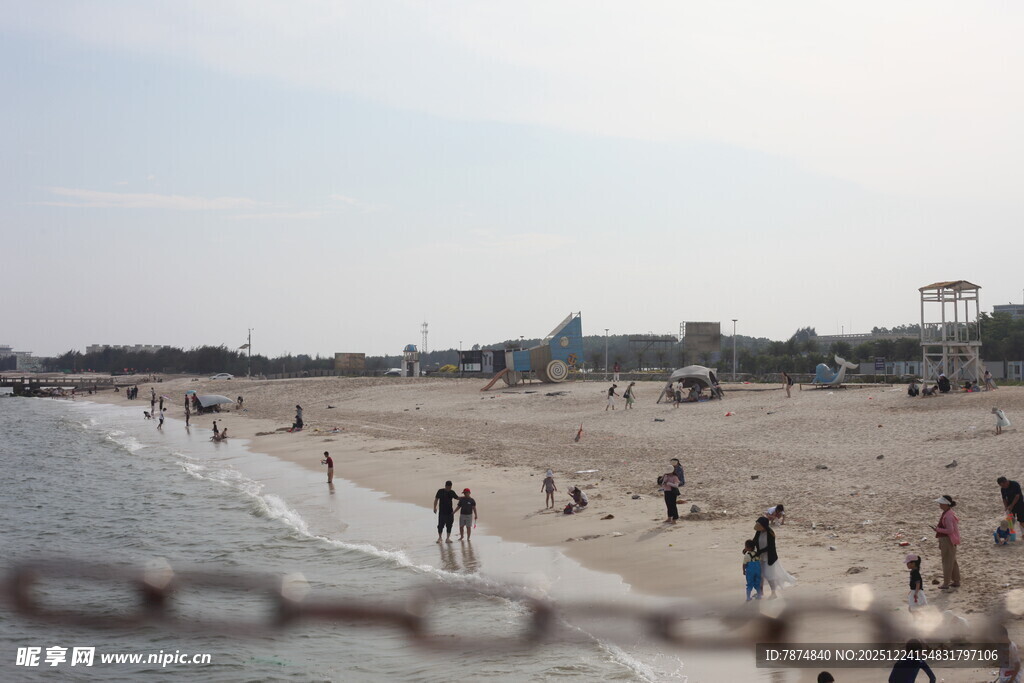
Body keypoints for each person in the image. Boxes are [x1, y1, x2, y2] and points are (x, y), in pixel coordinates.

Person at [752, 516, 796, 599]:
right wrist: (748, 547)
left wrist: (759, 552)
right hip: (760, 557)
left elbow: (770, 547)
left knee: (769, 576)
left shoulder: (770, 533)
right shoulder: (759, 532)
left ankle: (773, 593)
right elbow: (754, 540)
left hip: (769, 558)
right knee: (760, 575)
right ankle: (760, 592)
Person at [930, 495, 961, 589]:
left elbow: (950, 530)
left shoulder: (948, 515)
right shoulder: (949, 513)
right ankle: (956, 581)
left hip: (947, 540)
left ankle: (946, 583)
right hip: (950, 540)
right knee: (952, 561)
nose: (939, 505)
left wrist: (938, 529)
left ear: (945, 504)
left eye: (941, 503)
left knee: (947, 562)